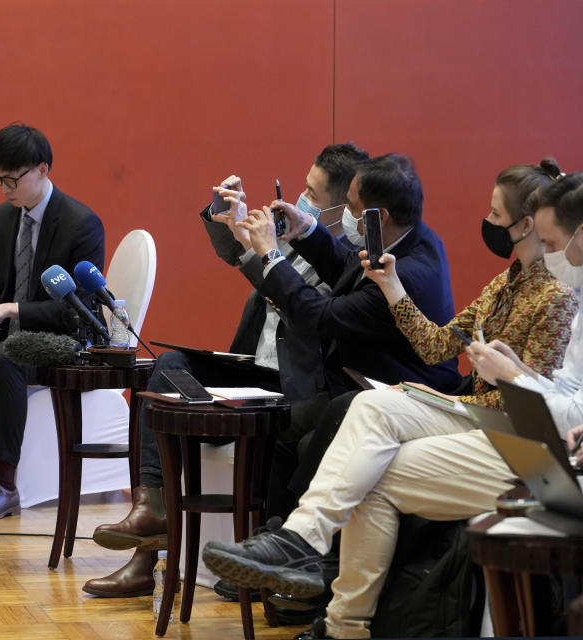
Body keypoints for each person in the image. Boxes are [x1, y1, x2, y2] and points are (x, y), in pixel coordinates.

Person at [202, 166, 581, 639]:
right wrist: (390, 286)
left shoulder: (559, 295)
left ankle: (320, 583)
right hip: (484, 413)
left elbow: (544, 404)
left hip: (514, 429)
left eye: (494, 213)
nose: (486, 219)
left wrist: (513, 375)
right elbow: (436, 344)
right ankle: (306, 551)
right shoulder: (509, 283)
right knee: (368, 416)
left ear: (528, 227)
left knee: (362, 432)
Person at [82, 143, 370, 599]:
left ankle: (157, 556)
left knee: (180, 402)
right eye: (302, 188)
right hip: (253, 368)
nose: (299, 200)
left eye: (313, 195)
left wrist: (260, 249)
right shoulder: (297, 231)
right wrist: (230, 221)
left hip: (294, 385)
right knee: (167, 371)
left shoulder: (350, 255)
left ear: (342, 206)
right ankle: (150, 514)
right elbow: (236, 257)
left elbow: (295, 299)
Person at [0, 124, 104, 522]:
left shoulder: (81, 223)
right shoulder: (2, 218)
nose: (4, 189)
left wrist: (12, 309)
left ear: (43, 170)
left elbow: (79, 309)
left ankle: (4, 484)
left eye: (12, 179)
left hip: (69, 340)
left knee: (6, 355)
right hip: (11, 333)